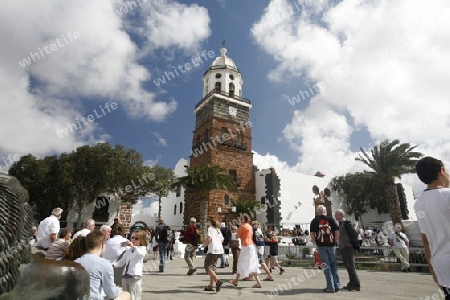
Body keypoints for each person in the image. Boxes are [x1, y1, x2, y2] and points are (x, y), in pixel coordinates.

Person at [415, 156, 450, 299]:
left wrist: (433, 269)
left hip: (441, 267)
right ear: (441, 171)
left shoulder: (418, 203)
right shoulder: (446, 195)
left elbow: (425, 239)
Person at [75, 230, 131, 300]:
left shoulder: (75, 262)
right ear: (102, 244)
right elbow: (111, 293)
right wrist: (119, 290)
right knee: (126, 294)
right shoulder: (104, 264)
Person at [310, 205, 340, 293]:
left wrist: (316, 242)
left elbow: (312, 234)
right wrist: (334, 241)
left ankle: (330, 287)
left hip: (322, 246)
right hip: (332, 245)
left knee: (326, 266)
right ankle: (336, 285)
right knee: (334, 265)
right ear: (325, 211)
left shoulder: (314, 221)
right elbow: (337, 232)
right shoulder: (330, 219)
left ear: (317, 212)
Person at [228, 214, 262, 289]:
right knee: (253, 264)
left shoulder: (242, 226)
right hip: (251, 246)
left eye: (241, 219)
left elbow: (237, 236)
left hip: (246, 246)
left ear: (244, 220)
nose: (240, 220)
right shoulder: (249, 226)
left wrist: (237, 231)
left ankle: (236, 281)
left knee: (240, 263)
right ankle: (258, 282)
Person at [113, 230, 148, 300]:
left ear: (142, 241)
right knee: (125, 295)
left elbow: (141, 254)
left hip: (134, 276)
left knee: (134, 295)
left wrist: (133, 247)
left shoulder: (142, 249)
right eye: (133, 237)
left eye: (136, 239)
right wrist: (114, 264)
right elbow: (122, 261)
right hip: (125, 275)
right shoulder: (128, 250)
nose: (133, 240)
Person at [334, 209, 361, 291]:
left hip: (347, 248)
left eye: (336, 215)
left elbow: (354, 233)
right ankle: (351, 283)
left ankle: (356, 285)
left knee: (351, 266)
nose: (335, 216)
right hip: (343, 247)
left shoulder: (347, 223)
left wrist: (352, 243)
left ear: (341, 215)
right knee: (348, 266)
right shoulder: (341, 224)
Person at [202, 218, 224, 292]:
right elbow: (222, 239)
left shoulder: (210, 229)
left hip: (212, 250)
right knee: (212, 268)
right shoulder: (218, 230)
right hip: (219, 250)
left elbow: (209, 239)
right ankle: (211, 286)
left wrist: (205, 245)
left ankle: (217, 281)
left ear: (211, 222)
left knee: (207, 267)